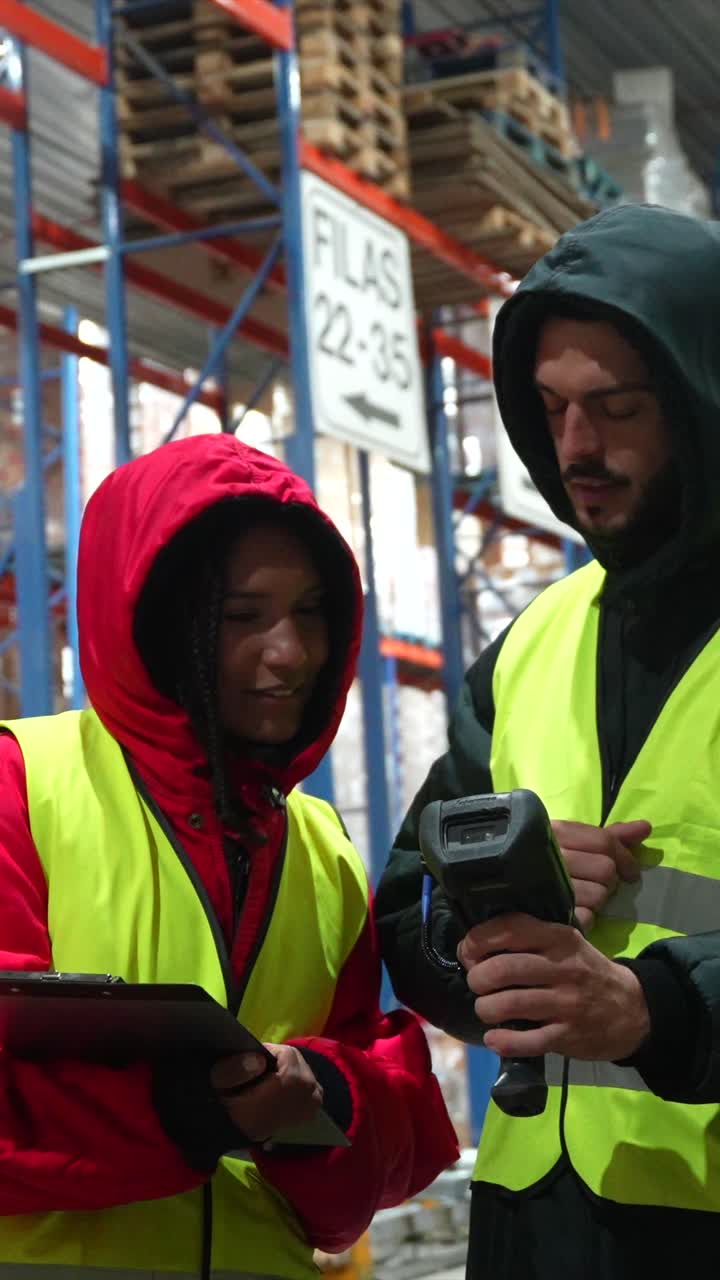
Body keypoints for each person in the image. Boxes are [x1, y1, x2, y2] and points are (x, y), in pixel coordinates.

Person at [0, 433, 459, 1278]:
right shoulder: (21, 786)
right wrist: (190, 1113)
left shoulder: (319, 847)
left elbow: (396, 1145)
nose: (290, 654)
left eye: (312, 611)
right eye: (241, 617)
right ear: (154, 622)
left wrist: (329, 1098)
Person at [375, 202, 720, 1279]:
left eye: (614, 407)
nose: (575, 448)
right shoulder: (531, 643)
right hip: (535, 1228)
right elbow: (406, 902)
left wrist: (655, 1005)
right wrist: (488, 909)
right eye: (551, 407)